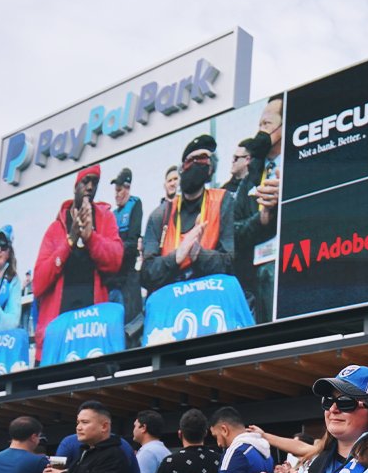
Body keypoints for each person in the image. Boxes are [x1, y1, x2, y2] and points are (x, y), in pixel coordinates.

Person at [32, 165, 124, 362]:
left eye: (95, 182)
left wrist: (91, 237)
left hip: (93, 332)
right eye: (85, 181)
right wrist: (69, 241)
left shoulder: (106, 218)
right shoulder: (55, 229)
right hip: (58, 336)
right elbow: (38, 283)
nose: (90, 187)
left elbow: (116, 260)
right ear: (75, 186)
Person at [141, 134, 234, 294]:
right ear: (182, 168)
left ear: (211, 169)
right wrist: (177, 256)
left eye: (202, 160)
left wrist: (199, 253)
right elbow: (146, 274)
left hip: (209, 298)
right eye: (190, 161)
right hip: (171, 302)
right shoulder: (160, 215)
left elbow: (231, 262)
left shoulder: (222, 202)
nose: (195, 164)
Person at [233, 97, 282, 322]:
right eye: (259, 125)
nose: (261, 131)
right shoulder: (251, 176)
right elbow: (233, 230)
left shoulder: (301, 164)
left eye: (268, 124)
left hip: (290, 272)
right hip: (253, 282)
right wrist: (261, 220)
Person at [108, 167, 144, 343]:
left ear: (127, 188)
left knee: (132, 325)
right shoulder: (112, 215)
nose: (116, 195)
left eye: (120, 190)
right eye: (115, 190)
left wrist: (115, 250)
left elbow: (132, 239)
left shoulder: (135, 204)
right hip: (113, 278)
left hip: (128, 274)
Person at [0, 226, 23, 332]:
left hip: (1, 344)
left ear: (9, 253)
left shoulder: (13, 281)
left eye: (3, 246)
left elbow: (13, 322)